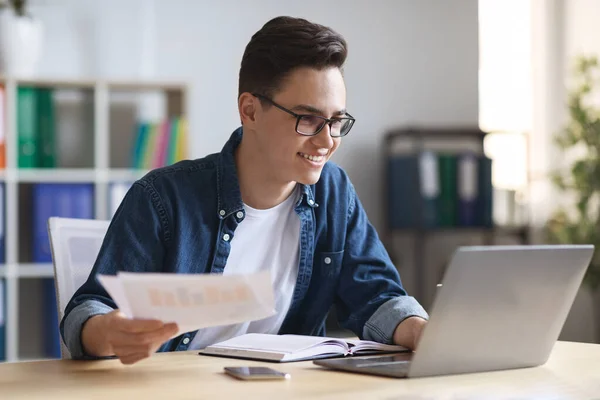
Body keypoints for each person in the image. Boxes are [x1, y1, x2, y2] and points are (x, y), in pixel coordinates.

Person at [61, 16, 429, 365]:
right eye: (309, 119)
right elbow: (90, 310)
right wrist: (110, 332)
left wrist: (423, 333)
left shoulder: (335, 193)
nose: (327, 141)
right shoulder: (163, 198)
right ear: (250, 111)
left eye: (336, 122)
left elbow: (377, 296)